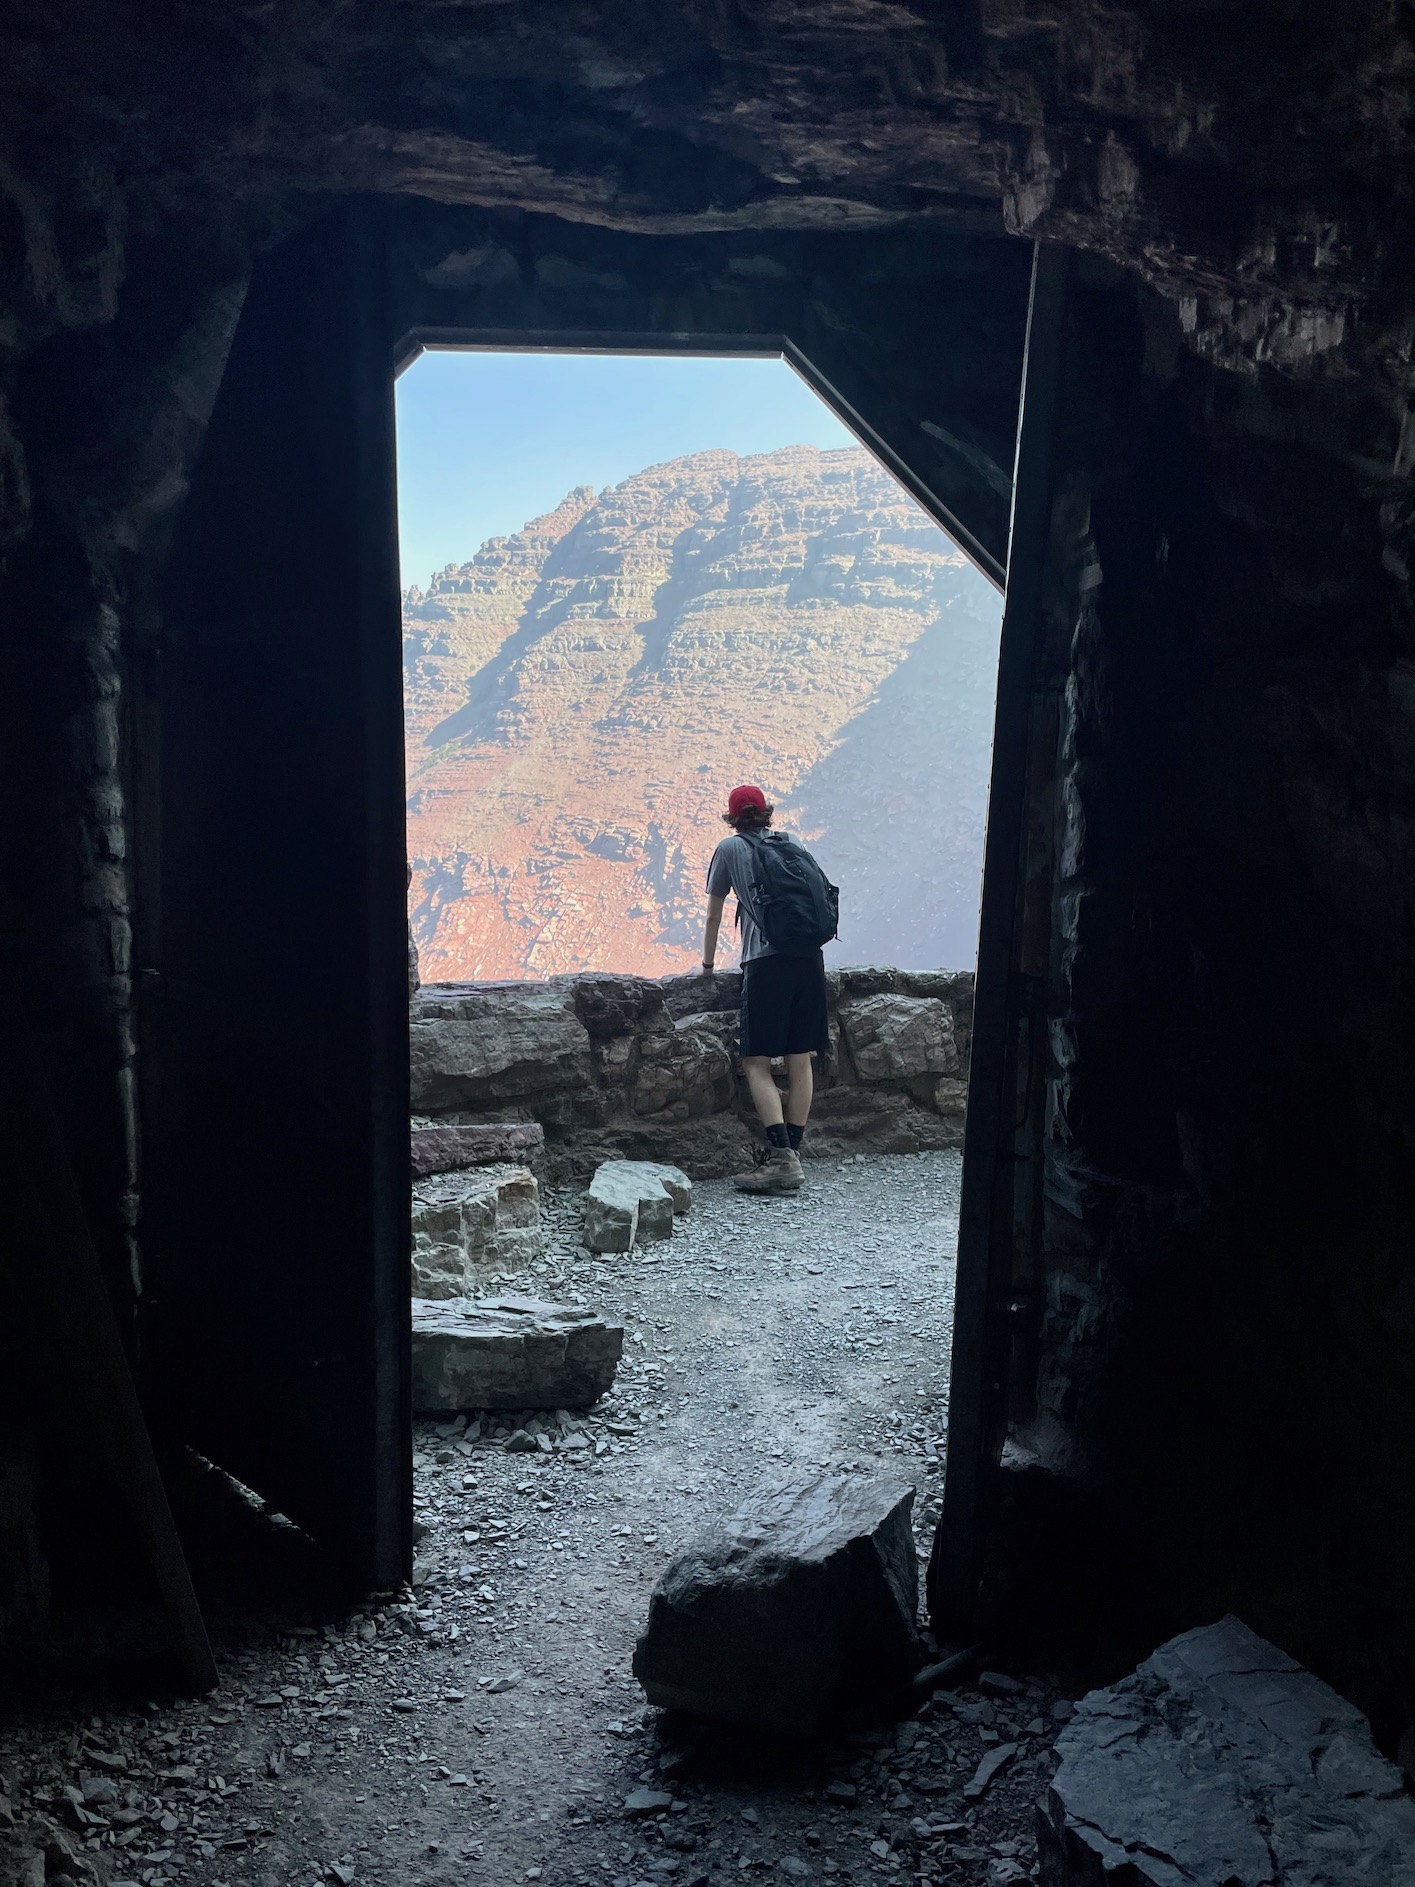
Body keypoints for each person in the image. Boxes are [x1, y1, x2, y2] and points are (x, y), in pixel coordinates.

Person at [702, 783, 829, 1194]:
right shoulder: (789, 842)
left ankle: (780, 1159)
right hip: (808, 958)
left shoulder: (730, 848)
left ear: (733, 816)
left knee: (756, 1060)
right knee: (800, 1058)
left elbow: (714, 915)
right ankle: (791, 1152)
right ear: (766, 812)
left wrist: (706, 966)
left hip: (765, 963)